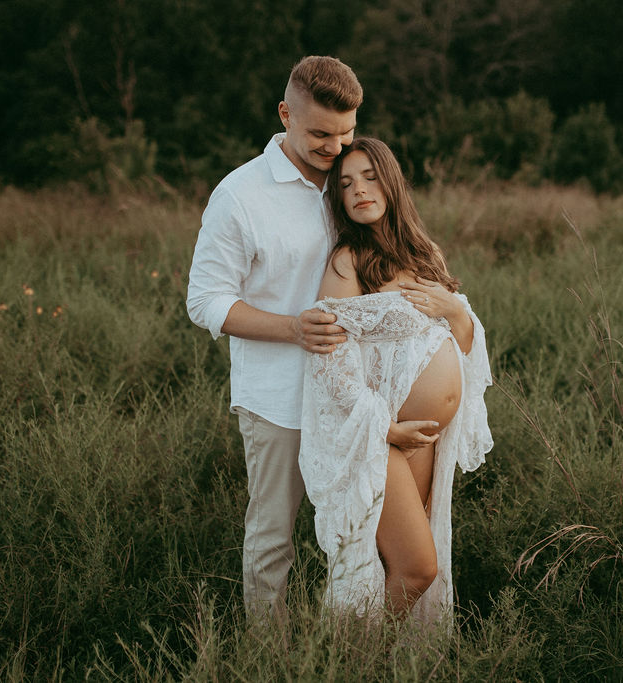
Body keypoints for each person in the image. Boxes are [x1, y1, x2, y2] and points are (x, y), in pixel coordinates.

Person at [185, 56, 362, 623]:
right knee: (273, 541)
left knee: (358, 532)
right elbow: (205, 301)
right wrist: (294, 328)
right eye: (319, 134)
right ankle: (270, 659)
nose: (335, 147)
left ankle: (357, 648)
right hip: (277, 400)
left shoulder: (353, 178)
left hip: (354, 395)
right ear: (285, 114)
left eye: (346, 133)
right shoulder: (240, 195)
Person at [299, 138, 493, 624]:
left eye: (368, 177)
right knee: (415, 569)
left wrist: (454, 310)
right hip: (381, 437)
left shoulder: (425, 253)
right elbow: (331, 368)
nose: (358, 190)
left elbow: (463, 340)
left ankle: (380, 666)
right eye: (345, 184)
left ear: (391, 180)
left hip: (425, 437)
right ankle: (354, 666)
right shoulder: (348, 261)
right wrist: (388, 431)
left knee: (400, 564)